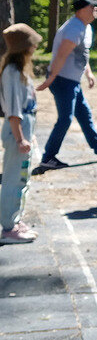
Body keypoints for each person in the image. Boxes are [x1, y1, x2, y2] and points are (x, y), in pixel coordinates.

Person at [35, 0, 97, 172]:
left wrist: (89, 73)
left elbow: (82, 54)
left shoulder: (85, 27)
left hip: (72, 81)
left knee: (84, 114)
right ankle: (48, 157)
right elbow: (61, 55)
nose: (95, 9)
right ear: (81, 10)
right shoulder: (74, 28)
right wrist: (50, 79)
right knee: (65, 119)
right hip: (62, 80)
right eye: (92, 7)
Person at [0, 24, 42, 244]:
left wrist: (29, 134)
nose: (35, 47)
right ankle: (8, 226)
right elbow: (13, 110)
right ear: (24, 47)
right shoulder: (12, 72)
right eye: (32, 43)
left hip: (24, 128)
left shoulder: (20, 71)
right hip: (18, 131)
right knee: (13, 179)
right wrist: (20, 138)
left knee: (22, 178)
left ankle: (14, 220)